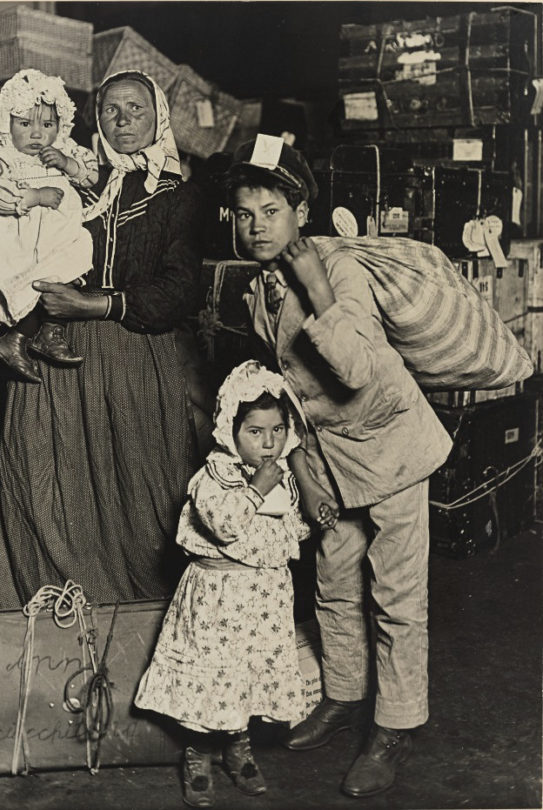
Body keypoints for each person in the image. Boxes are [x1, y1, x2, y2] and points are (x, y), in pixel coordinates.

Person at [225, 135, 453, 798]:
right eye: (243, 214)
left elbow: (351, 368)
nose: (256, 225)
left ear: (300, 210)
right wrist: (302, 475)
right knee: (331, 582)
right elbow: (284, 394)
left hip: (390, 447)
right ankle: (345, 694)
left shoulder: (338, 268)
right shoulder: (256, 291)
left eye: (270, 209)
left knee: (396, 596)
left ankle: (395, 725)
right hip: (327, 458)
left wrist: (318, 286)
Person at [0, 70, 204, 608]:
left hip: (131, 352)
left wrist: (94, 303)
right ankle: (56, 609)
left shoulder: (178, 196)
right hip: (56, 354)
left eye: (136, 107)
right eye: (110, 110)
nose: (124, 119)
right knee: (48, 480)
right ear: (96, 121)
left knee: (139, 491)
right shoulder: (78, 181)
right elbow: (8, 183)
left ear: (159, 116)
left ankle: (140, 620)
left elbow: (179, 291)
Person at [135, 359, 316, 808]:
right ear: (230, 431)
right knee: (213, 677)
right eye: (255, 432)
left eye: (276, 430)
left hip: (263, 599)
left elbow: (287, 531)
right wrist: (256, 488)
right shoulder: (213, 477)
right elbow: (225, 525)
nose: (268, 442)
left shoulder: (283, 476)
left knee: (248, 674)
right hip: (218, 598)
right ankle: (198, 753)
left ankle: (239, 747)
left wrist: (309, 518)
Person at [0, 68, 98, 383]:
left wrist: (68, 164)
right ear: (7, 124)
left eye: (47, 124)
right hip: (21, 242)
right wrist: (35, 195)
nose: (37, 134)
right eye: (25, 124)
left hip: (60, 237)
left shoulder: (65, 151)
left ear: (61, 126)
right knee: (34, 285)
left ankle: (46, 333)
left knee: (74, 266)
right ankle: (18, 336)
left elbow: (93, 176)